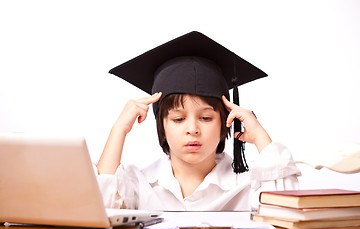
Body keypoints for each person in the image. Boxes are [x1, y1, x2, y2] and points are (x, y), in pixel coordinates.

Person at [96, 31, 301, 211]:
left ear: (225, 121)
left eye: (206, 118)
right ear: (162, 125)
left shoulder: (246, 184)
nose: (193, 129)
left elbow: (285, 212)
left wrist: (260, 137)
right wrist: (118, 130)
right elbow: (99, 210)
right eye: (178, 119)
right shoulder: (139, 183)